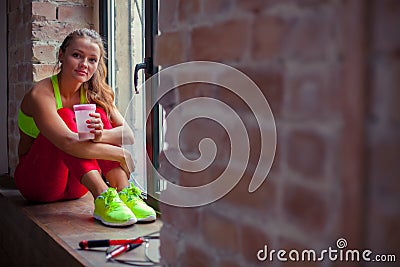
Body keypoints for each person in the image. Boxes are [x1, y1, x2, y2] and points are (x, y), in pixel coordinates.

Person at [14, 28, 156, 227]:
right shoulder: (41, 94)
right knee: (65, 115)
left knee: (96, 115)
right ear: (61, 55)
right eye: (76, 55)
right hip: (39, 184)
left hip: (77, 185)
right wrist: (120, 154)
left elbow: (127, 134)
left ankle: (125, 193)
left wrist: (100, 135)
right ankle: (103, 195)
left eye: (92, 60)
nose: (84, 65)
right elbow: (68, 142)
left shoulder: (96, 93)